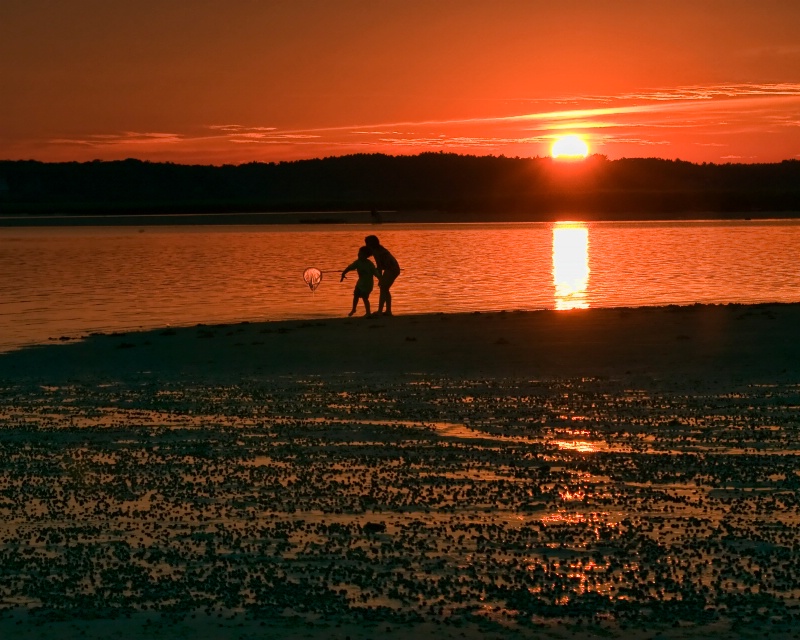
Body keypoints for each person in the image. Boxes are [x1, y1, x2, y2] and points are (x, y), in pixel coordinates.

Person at [364, 235, 400, 316]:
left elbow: (379, 266)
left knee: (383, 288)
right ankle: (388, 311)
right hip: (391, 269)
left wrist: (380, 278)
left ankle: (381, 311)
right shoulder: (379, 249)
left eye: (367, 243)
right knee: (385, 289)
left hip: (392, 269)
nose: (366, 245)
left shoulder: (376, 251)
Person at [340, 245, 380, 317]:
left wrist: (380, 279)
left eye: (361, 254)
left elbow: (375, 273)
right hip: (360, 283)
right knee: (356, 295)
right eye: (359, 253)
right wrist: (343, 273)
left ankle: (368, 312)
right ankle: (354, 309)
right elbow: (349, 267)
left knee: (365, 298)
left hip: (368, 284)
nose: (358, 254)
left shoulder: (370, 264)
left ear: (366, 255)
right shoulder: (357, 262)